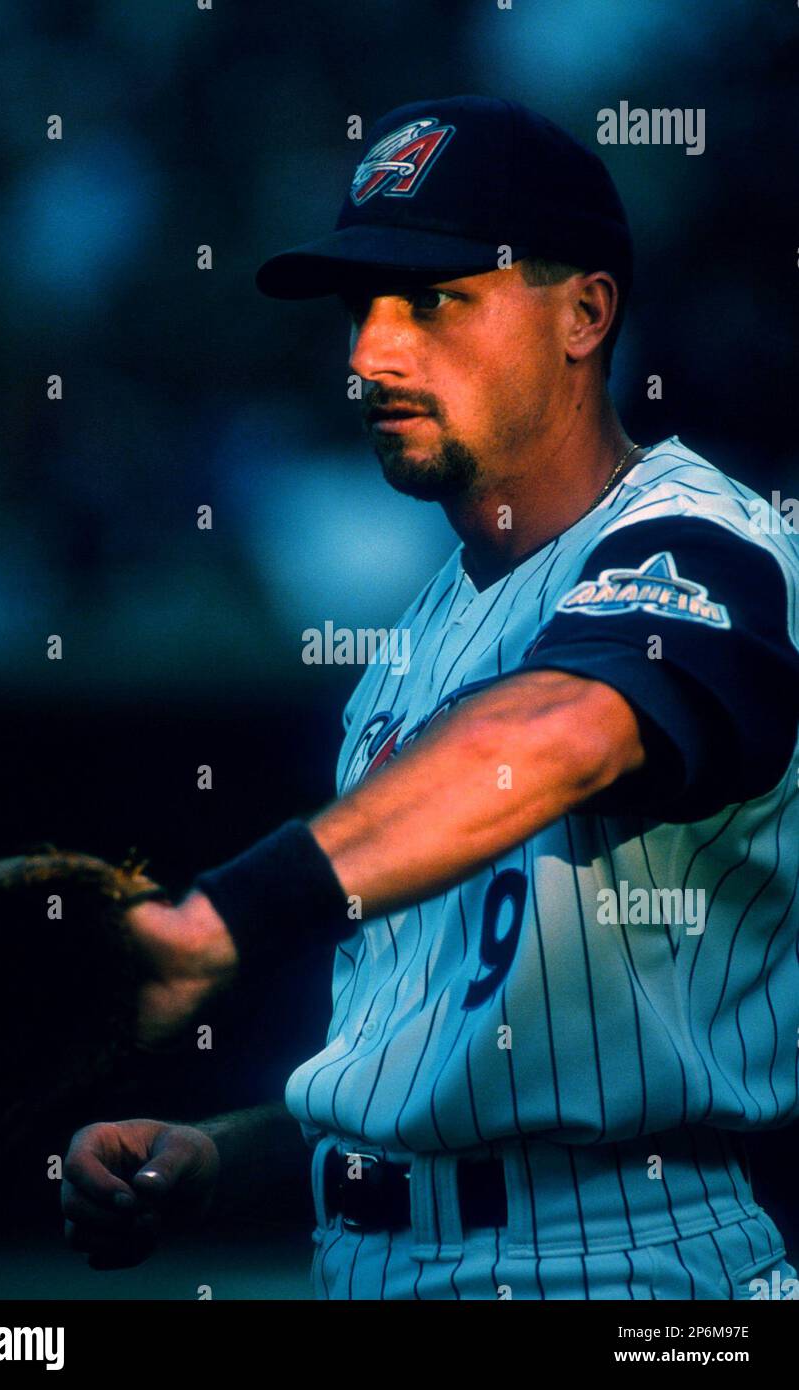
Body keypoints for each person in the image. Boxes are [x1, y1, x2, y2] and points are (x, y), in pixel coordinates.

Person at [62, 96, 799, 1300]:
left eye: (434, 300)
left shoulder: (703, 544)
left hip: (620, 1268)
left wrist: (217, 920)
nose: (370, 352)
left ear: (584, 312)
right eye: (363, 306)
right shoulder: (421, 633)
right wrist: (219, 1159)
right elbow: (438, 1076)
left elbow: (562, 732)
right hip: (377, 1263)